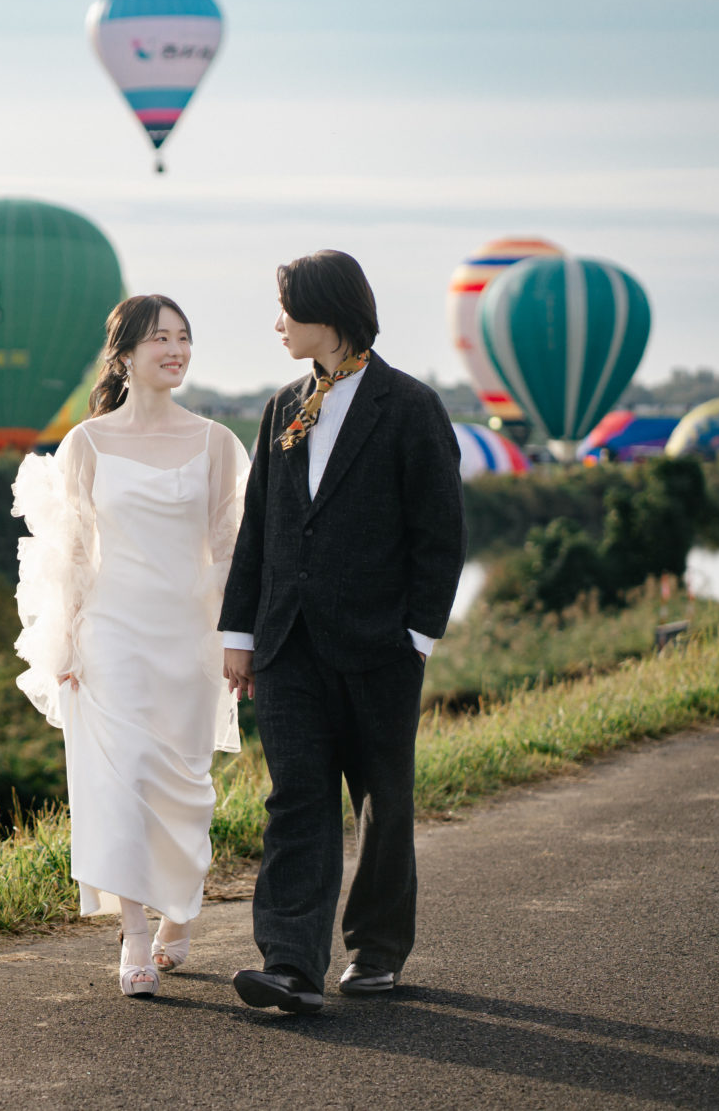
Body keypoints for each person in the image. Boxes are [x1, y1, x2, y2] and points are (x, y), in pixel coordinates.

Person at [219, 251, 465, 1015]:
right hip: (288, 644)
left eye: (286, 308)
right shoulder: (281, 407)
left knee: (382, 801)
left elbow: (441, 536)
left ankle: (378, 949)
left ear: (327, 311)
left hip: (380, 645)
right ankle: (290, 964)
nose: (277, 322)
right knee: (296, 797)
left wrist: (417, 637)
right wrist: (239, 631)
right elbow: (257, 529)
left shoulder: (411, 406)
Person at [12, 294, 248, 998]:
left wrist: (238, 637)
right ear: (124, 355)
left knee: (185, 785)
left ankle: (180, 909)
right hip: (110, 631)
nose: (174, 350)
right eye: (159, 340)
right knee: (122, 779)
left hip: (188, 636)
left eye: (183, 338)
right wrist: (63, 640)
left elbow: (231, 547)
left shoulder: (214, 441)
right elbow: (70, 552)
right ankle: (136, 933)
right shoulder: (86, 442)